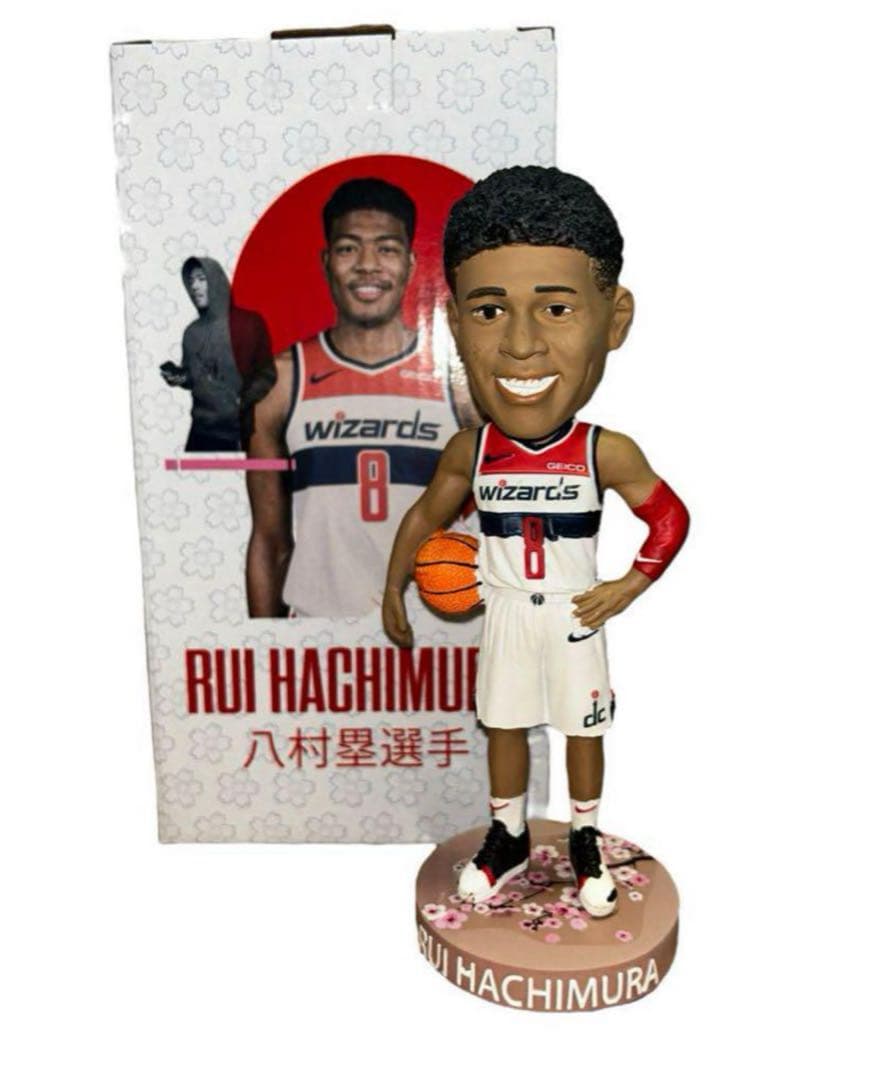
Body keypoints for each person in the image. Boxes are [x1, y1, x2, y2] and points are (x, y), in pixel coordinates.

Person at [382, 166, 689, 918]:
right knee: (505, 723)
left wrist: (628, 585)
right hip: (509, 608)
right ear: (456, 324)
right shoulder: (473, 451)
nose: (521, 345)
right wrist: (393, 586)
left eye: (555, 308)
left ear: (614, 318)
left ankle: (584, 836)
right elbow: (423, 518)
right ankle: (509, 833)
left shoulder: (602, 450)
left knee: (583, 729)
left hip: (576, 611)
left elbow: (671, 517)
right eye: (490, 311)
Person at [246, 177, 474, 618]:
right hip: (320, 635)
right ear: (326, 261)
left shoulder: (461, 384)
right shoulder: (281, 381)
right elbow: (269, 541)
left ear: (410, 263)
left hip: (435, 636)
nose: (368, 265)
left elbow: (508, 527)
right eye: (349, 248)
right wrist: (263, 645)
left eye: (386, 249)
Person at [161, 256, 270, 453]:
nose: (195, 286)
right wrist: (179, 376)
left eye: (201, 279)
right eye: (191, 281)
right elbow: (193, 377)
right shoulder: (191, 333)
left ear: (216, 280)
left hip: (237, 434)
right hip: (200, 432)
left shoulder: (249, 323)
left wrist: (243, 401)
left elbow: (267, 374)